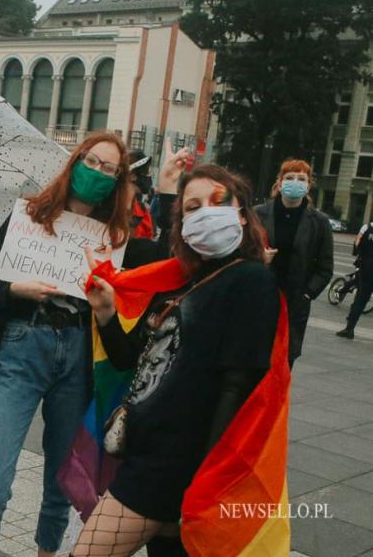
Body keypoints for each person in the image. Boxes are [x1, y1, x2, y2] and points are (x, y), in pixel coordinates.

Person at [0, 131, 173, 557]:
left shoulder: (117, 239)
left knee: (60, 482)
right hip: (23, 346)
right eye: (91, 162)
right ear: (75, 161)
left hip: (79, 354)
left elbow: (169, 260)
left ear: (118, 180)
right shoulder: (28, 216)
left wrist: (167, 193)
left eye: (108, 169)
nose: (96, 173)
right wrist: (15, 291)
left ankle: (47, 551)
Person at [73, 164, 280, 556]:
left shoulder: (250, 281)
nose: (205, 212)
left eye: (218, 201)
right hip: (145, 450)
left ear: (240, 212)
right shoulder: (179, 279)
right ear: (182, 223)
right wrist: (104, 314)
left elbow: (239, 387)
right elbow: (130, 360)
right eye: (192, 206)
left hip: (173, 466)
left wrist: (205, 482)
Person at [255, 159, 333, 366]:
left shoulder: (319, 222)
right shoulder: (258, 214)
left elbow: (325, 267)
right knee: (252, 355)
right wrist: (259, 259)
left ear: (308, 186)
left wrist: (307, 294)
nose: (295, 182)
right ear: (279, 183)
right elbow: (240, 252)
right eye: (289, 178)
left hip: (294, 301)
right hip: (259, 295)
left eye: (301, 179)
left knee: (284, 359)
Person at [337, 220, 373, 339]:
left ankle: (349, 329)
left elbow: (357, 243)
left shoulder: (367, 228)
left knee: (360, 299)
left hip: (366, 269)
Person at [128, 148, 155, 239]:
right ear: (132, 176)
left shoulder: (143, 212)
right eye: (147, 172)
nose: (149, 177)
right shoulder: (106, 206)